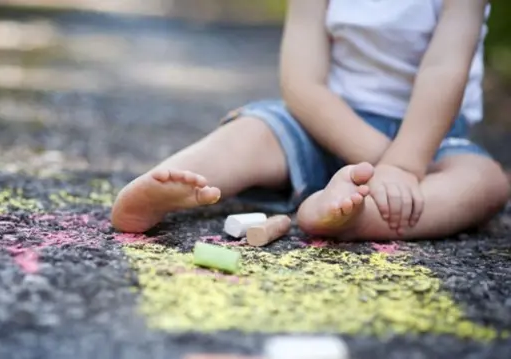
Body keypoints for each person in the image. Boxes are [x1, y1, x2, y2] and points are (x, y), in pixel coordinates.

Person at [110, 0, 510, 240]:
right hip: (323, 123)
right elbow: (302, 85)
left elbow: (444, 70)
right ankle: (168, 184)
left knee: (485, 182)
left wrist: (404, 165)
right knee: (252, 133)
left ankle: (347, 217)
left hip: (428, 142)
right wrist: (383, 166)